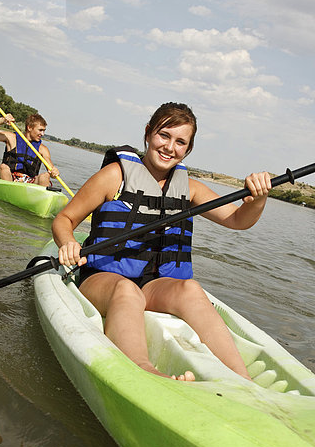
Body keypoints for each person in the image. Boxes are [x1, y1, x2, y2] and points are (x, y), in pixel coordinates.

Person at [52, 102, 272, 382]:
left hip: (154, 284)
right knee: (126, 290)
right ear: (148, 133)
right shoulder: (114, 176)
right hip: (104, 279)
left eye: (180, 142)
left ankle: (243, 380)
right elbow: (64, 219)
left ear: (188, 150)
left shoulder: (190, 188)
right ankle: (146, 372)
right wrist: (67, 242)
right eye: (164, 135)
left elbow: (238, 219)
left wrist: (259, 199)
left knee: (190, 289)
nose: (170, 147)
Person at [0, 113, 60, 185]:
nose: (42, 134)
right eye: (40, 130)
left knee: (45, 176)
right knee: (3, 167)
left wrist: (54, 172)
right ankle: (9, 192)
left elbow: (52, 172)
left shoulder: (42, 149)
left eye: (44, 131)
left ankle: (42, 200)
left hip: (29, 181)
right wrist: (2, 120)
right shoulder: (12, 138)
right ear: (30, 128)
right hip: (9, 177)